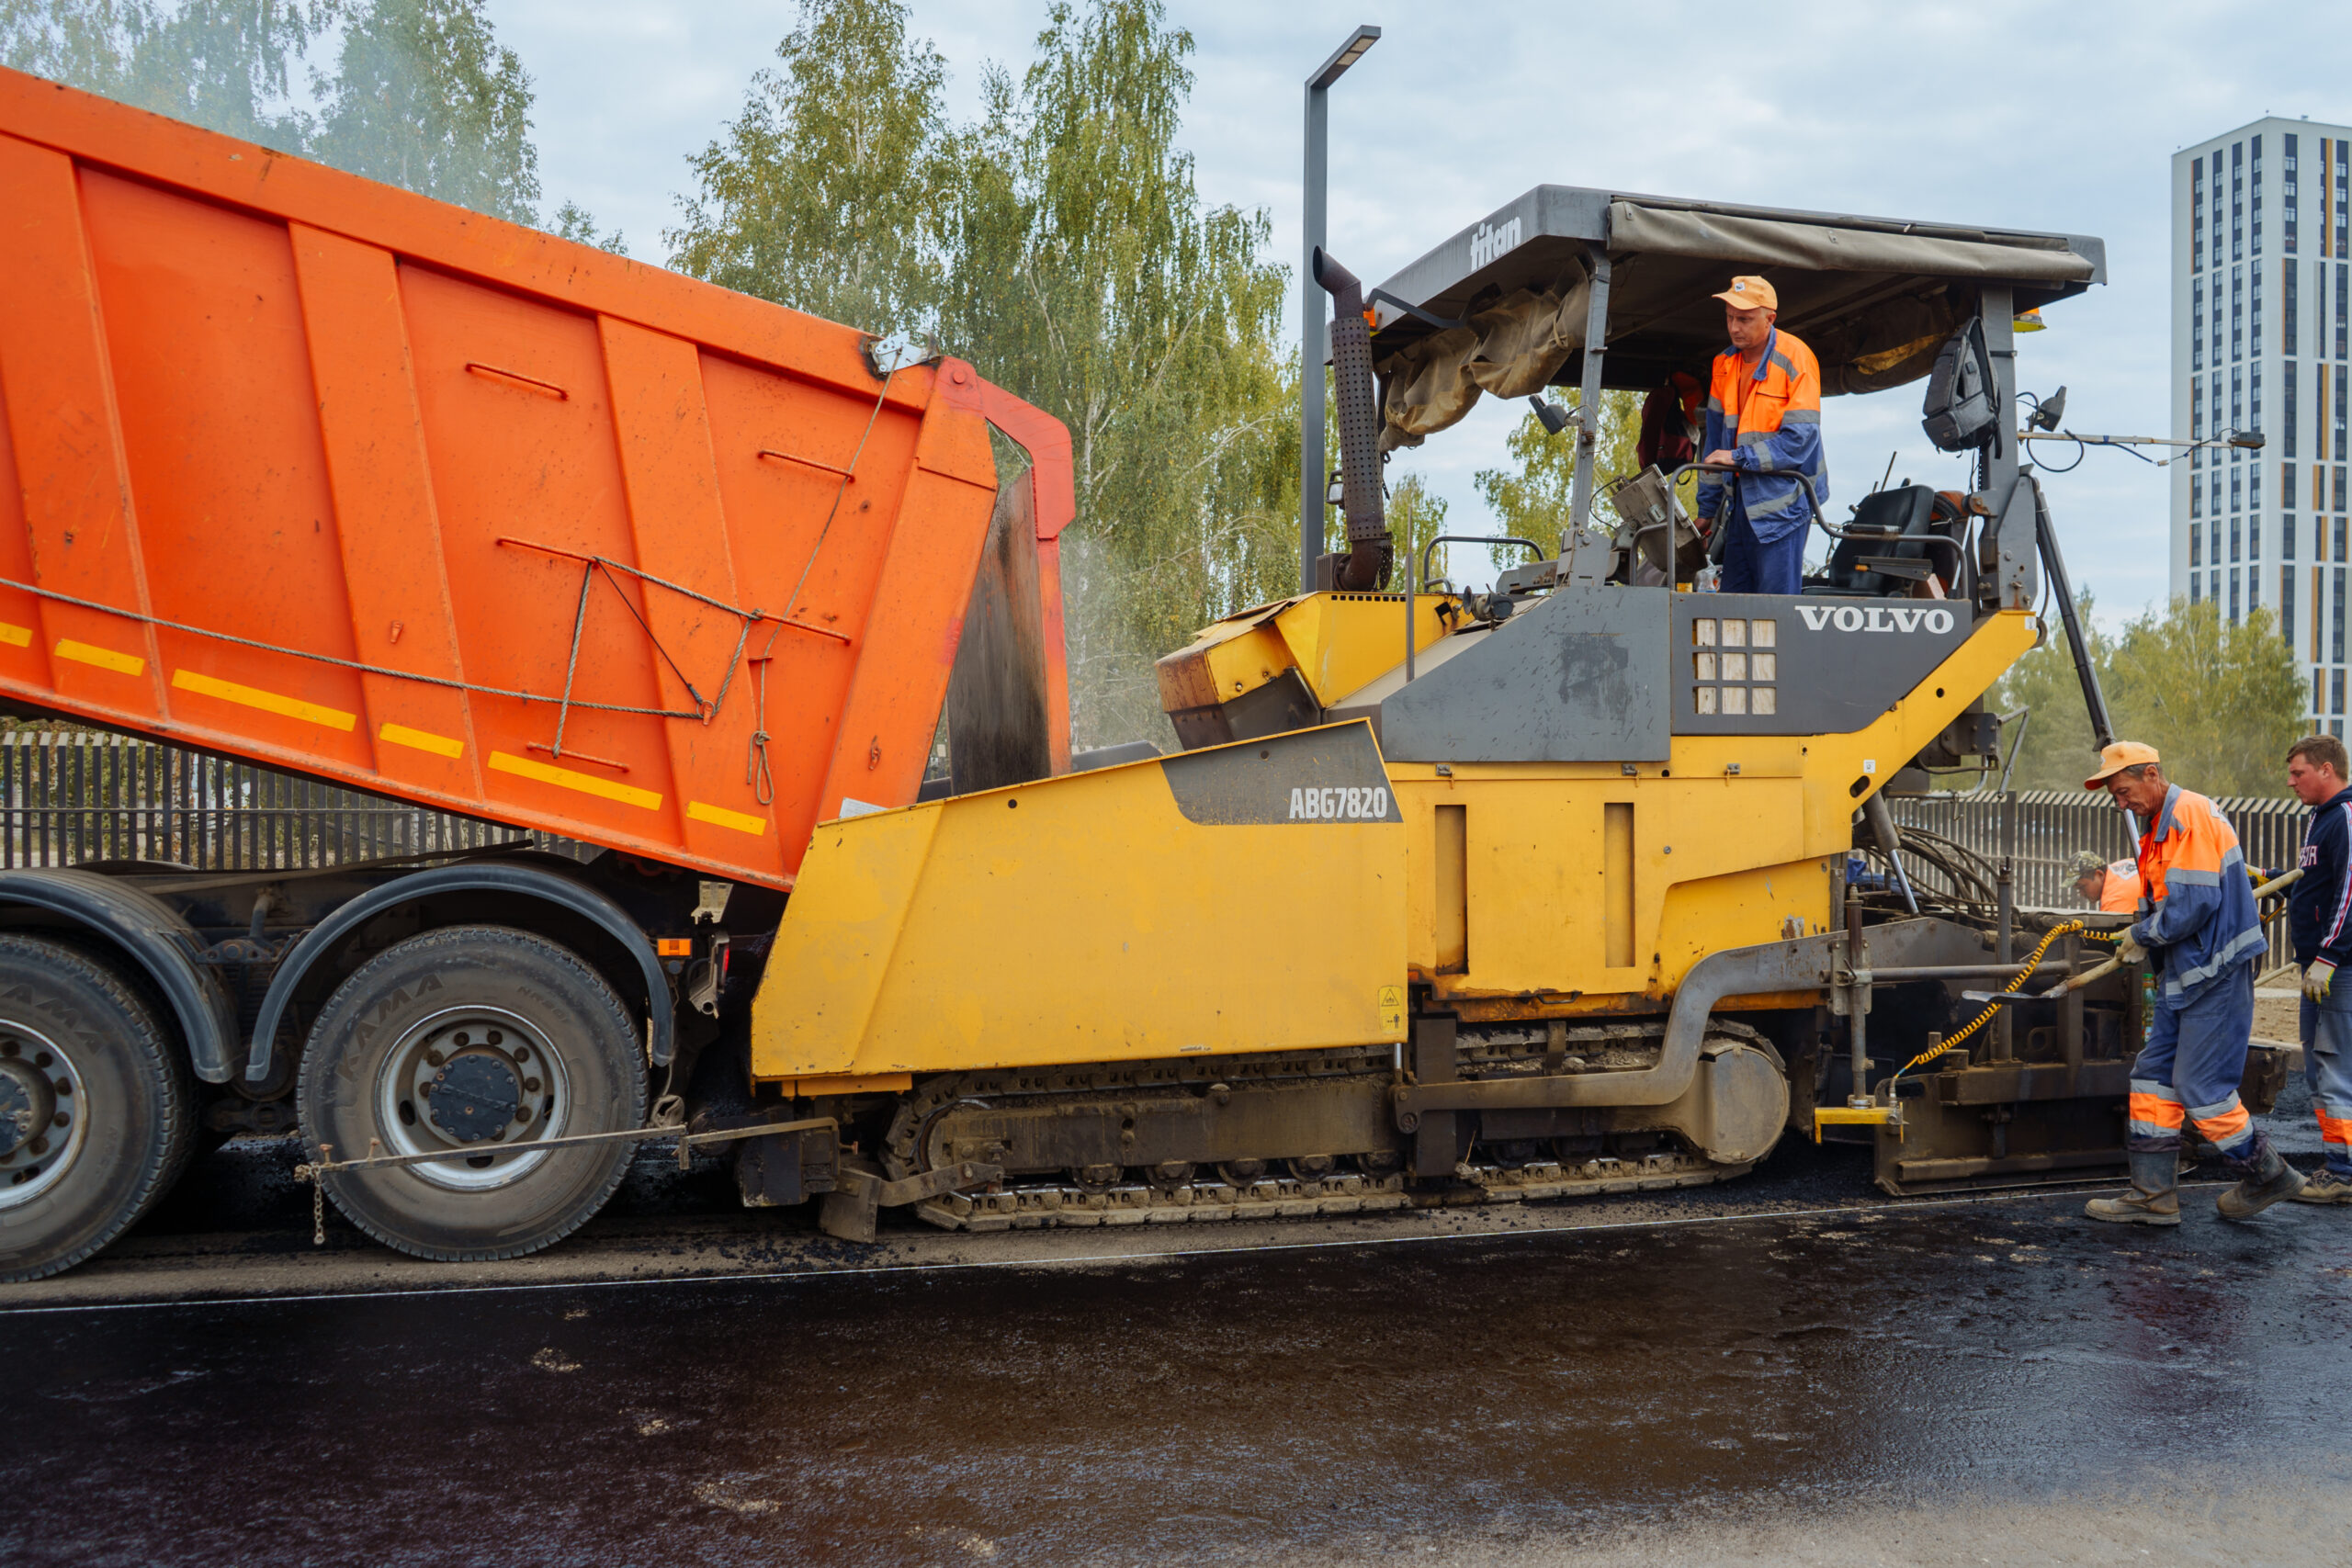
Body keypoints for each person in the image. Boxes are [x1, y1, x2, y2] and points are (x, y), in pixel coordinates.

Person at [2080, 740, 2304, 1224]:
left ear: (2152, 774)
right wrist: (2143, 934)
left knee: (2199, 1086)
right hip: (2183, 975)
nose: (2120, 802)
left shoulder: (2189, 816)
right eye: (2114, 795)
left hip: (2215, 972)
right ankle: (2153, 1197)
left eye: (2123, 790)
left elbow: (2194, 904)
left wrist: (2141, 935)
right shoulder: (2157, 827)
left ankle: (2268, 1173)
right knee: (2152, 1078)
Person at [1696, 276, 1829, 595]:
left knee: (1776, 608)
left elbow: (1800, 441)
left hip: (1785, 505)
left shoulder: (1797, 358)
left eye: (1744, 319)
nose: (1734, 327)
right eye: (1729, 317)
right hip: (1740, 506)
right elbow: (1715, 447)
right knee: (1733, 603)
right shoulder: (1723, 365)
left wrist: (1739, 457)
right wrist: (1705, 512)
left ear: (1770, 319)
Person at [2285, 733, 2352, 1203]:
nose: (2291, 782)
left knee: (2334, 1070)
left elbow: (2350, 892)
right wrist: (2273, 880)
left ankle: (2343, 1172)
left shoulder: (2345, 817)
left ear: (2326, 770)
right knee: (2319, 1070)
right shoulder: (2319, 819)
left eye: (2298, 772)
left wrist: (2328, 956)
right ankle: (2339, 1164)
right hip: (2319, 968)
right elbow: (2316, 884)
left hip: (2338, 972)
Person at [2070, 848, 2142, 913]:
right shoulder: (2120, 865)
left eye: (2082, 886)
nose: (2082, 894)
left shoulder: (2114, 900)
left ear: (2099, 874)